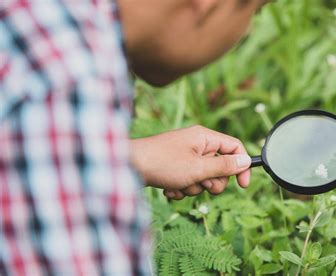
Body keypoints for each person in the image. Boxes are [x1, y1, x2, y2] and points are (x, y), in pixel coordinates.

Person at [0, 0, 268, 274]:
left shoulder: (39, 22)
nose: (246, 31)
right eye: (255, 12)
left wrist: (125, 157)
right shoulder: (66, 85)